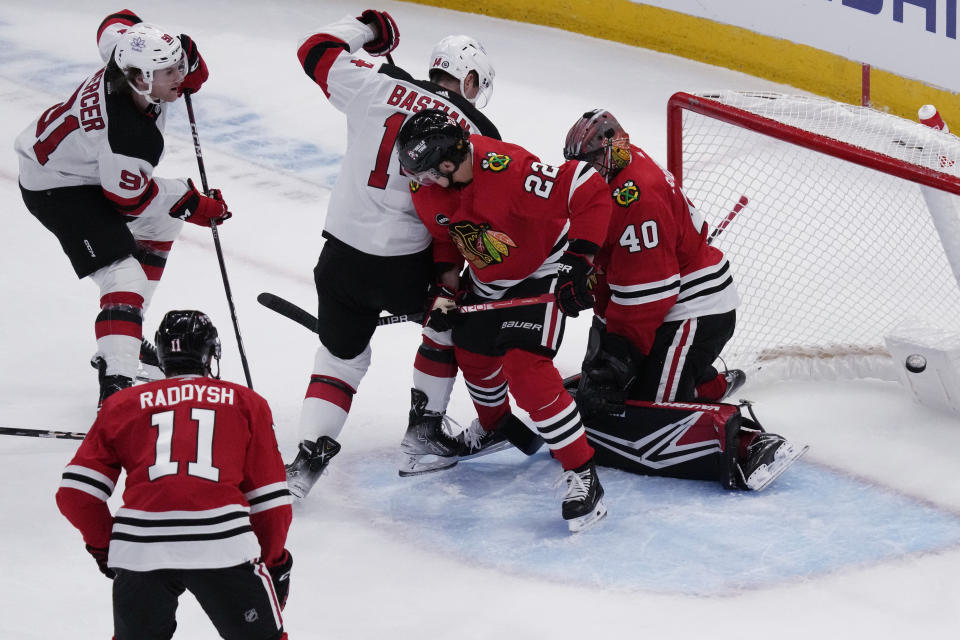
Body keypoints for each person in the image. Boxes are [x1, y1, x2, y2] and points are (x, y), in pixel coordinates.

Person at [286, 9, 503, 498]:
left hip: (338, 259)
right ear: (469, 79)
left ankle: (307, 458)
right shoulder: (478, 129)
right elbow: (468, 218)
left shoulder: (374, 82)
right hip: (409, 267)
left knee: (340, 359)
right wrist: (447, 289)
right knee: (447, 323)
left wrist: (366, 28)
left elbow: (314, 50)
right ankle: (424, 431)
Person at [561, 109, 807, 490]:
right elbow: (618, 269)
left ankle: (751, 444)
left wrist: (616, 359)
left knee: (650, 414)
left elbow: (647, 298)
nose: (584, 172)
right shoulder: (619, 171)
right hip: (663, 297)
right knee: (608, 389)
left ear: (611, 150)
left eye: (590, 162)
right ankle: (703, 381)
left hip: (693, 310)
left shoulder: (636, 198)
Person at [397, 109, 613, 532]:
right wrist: (445, 288)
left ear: (446, 162)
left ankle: (584, 472)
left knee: (526, 373)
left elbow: (588, 188)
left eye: (424, 173)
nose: (417, 182)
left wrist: (577, 263)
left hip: (541, 274)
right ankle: (496, 426)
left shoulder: (509, 170)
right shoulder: (429, 189)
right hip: (488, 279)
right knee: (472, 353)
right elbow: (445, 241)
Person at [14, 11, 231, 407]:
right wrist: (191, 202)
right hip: (58, 188)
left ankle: (123, 337)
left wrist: (187, 59)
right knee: (123, 276)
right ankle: (115, 387)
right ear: (140, 79)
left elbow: (117, 21)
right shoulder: (128, 135)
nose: (179, 76)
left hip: (85, 167)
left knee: (163, 225)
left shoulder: (122, 52)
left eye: (177, 65)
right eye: (169, 72)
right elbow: (128, 199)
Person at [55, 310, 293, 640]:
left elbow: (75, 495)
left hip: (140, 550)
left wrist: (106, 547)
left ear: (163, 355)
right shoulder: (246, 402)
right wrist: (273, 561)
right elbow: (271, 504)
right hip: (222, 545)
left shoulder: (121, 404)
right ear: (210, 353)